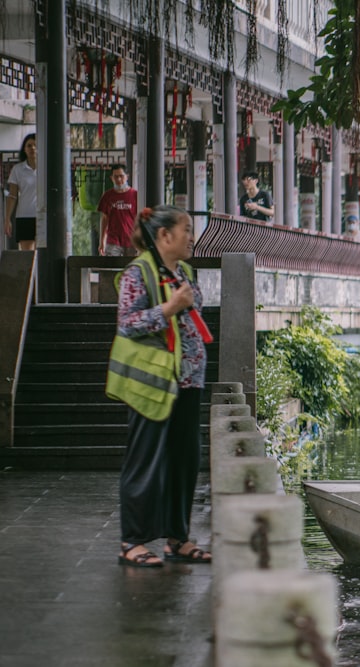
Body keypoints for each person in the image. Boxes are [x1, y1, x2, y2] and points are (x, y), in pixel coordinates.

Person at [106, 205, 212, 568]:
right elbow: (127, 323)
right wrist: (169, 307)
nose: (191, 236)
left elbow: (194, 310)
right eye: (186, 229)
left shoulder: (183, 270)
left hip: (188, 380)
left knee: (185, 460)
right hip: (153, 381)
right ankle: (132, 541)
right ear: (164, 235)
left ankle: (177, 538)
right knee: (145, 460)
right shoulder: (139, 272)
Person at [4, 133, 38, 250]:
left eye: (35, 145)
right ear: (24, 149)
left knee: (44, 254)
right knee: (27, 255)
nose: (32, 148)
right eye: (29, 145)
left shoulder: (47, 168)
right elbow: (12, 195)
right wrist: (7, 218)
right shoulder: (18, 169)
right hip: (25, 216)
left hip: (44, 215)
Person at [97, 164, 139, 256]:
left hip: (131, 240)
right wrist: (102, 241)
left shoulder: (135, 195)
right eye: (116, 177)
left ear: (127, 177)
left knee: (132, 268)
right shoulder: (107, 196)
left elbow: (140, 219)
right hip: (113, 240)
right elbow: (104, 219)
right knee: (110, 267)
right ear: (112, 178)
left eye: (121, 176)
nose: (119, 179)